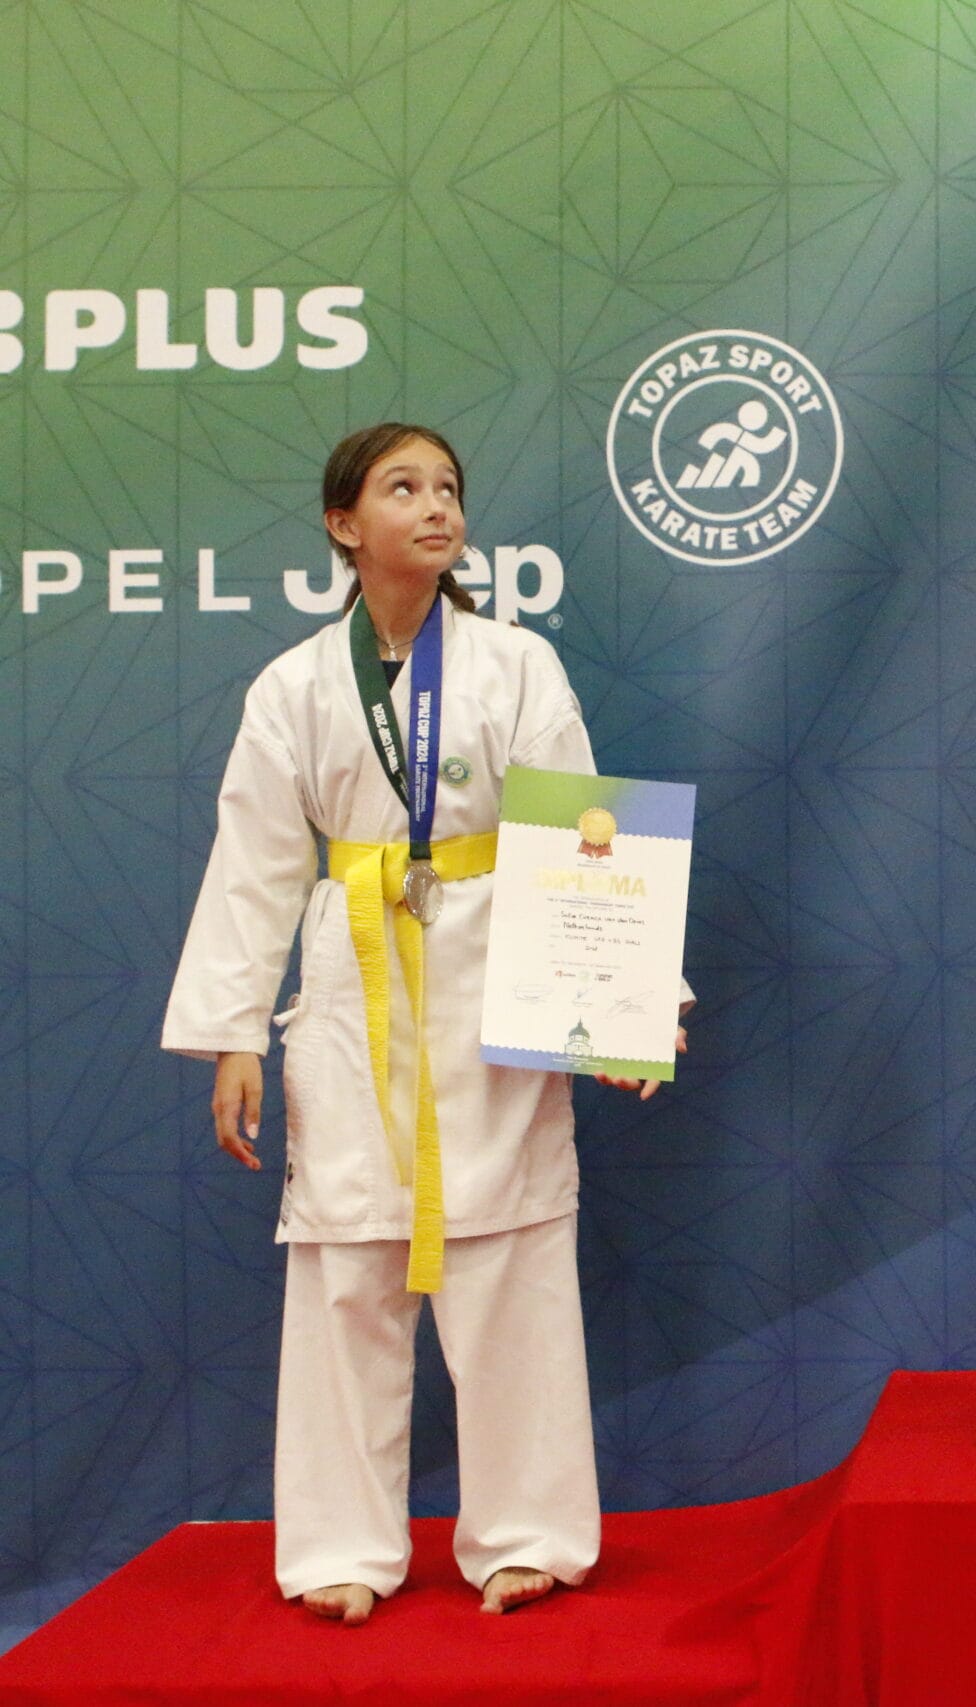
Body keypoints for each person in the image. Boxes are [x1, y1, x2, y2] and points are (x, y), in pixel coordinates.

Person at [162, 423, 683, 1624]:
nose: (436, 505)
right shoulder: (295, 686)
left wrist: (621, 1005)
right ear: (345, 524)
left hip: (503, 970)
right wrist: (237, 1032)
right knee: (346, 1262)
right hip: (354, 981)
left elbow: (578, 827)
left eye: (447, 487)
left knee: (513, 1252)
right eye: (403, 488)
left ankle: (528, 1535)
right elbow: (254, 865)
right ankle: (340, 1547)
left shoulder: (515, 665)